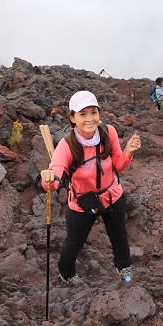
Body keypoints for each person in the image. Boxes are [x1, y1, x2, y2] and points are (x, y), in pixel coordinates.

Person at [41, 90, 142, 284]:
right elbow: (55, 177)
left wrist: (128, 151)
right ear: (72, 118)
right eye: (83, 114)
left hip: (112, 194)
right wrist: (48, 178)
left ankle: (123, 267)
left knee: (119, 235)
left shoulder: (108, 132)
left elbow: (118, 165)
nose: (90, 119)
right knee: (74, 242)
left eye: (93, 112)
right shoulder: (67, 145)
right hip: (82, 202)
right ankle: (67, 273)